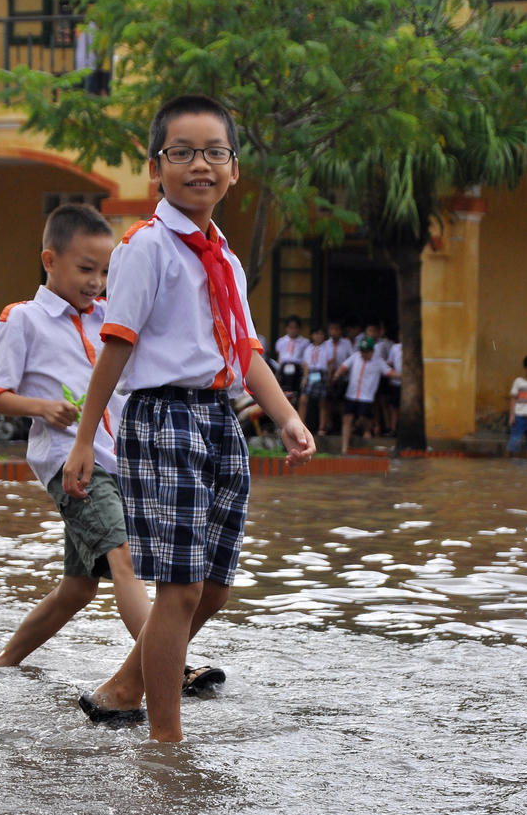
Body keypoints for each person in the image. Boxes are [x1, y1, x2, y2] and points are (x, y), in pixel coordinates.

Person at [63, 95, 315, 742]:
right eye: (182, 153)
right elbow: (116, 344)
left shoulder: (224, 257)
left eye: (214, 153)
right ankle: (165, 743)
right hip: (164, 417)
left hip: (220, 420)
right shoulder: (146, 248)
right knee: (177, 587)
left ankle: (123, 687)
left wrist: (285, 416)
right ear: (156, 168)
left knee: (214, 589)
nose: (198, 165)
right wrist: (86, 439)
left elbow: (244, 352)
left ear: (234, 169)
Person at [0, 204, 151, 671]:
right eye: (86, 269)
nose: (96, 281)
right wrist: (41, 407)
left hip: (118, 461)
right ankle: (168, 665)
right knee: (124, 558)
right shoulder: (23, 318)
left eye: (105, 271)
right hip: (69, 462)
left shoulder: (108, 317)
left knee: (78, 588)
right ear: (49, 261)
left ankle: (3, 662)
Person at [333, 335, 398, 455]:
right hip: (351, 394)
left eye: (366, 352)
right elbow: (343, 366)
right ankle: (344, 448)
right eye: (362, 351)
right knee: (347, 419)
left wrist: (403, 376)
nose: (363, 354)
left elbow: (389, 373)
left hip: (366, 397)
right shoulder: (355, 356)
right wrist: (337, 374)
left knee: (364, 419)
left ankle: (365, 428)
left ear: (372, 351)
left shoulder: (378, 361)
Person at [297, 326, 332, 436]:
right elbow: (306, 365)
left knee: (322, 401)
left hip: (321, 373)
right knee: (303, 399)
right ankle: (301, 424)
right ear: (312, 336)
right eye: (316, 334)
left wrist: (329, 379)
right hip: (311, 374)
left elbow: (330, 365)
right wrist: (304, 378)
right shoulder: (308, 348)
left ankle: (322, 426)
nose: (318, 336)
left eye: (321, 334)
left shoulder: (327, 348)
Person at [274, 315, 309, 404]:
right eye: (290, 328)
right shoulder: (281, 341)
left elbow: (305, 360)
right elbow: (279, 358)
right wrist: (278, 373)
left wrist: (305, 376)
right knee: (284, 391)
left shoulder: (305, 342)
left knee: (296, 393)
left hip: (297, 368)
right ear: (286, 328)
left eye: (295, 328)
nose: (293, 330)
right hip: (284, 367)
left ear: (299, 329)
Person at [74, 21, 110, 95]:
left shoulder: (84, 28)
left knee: (82, 95)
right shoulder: (94, 29)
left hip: (80, 66)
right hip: (90, 66)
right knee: (91, 95)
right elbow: (98, 49)